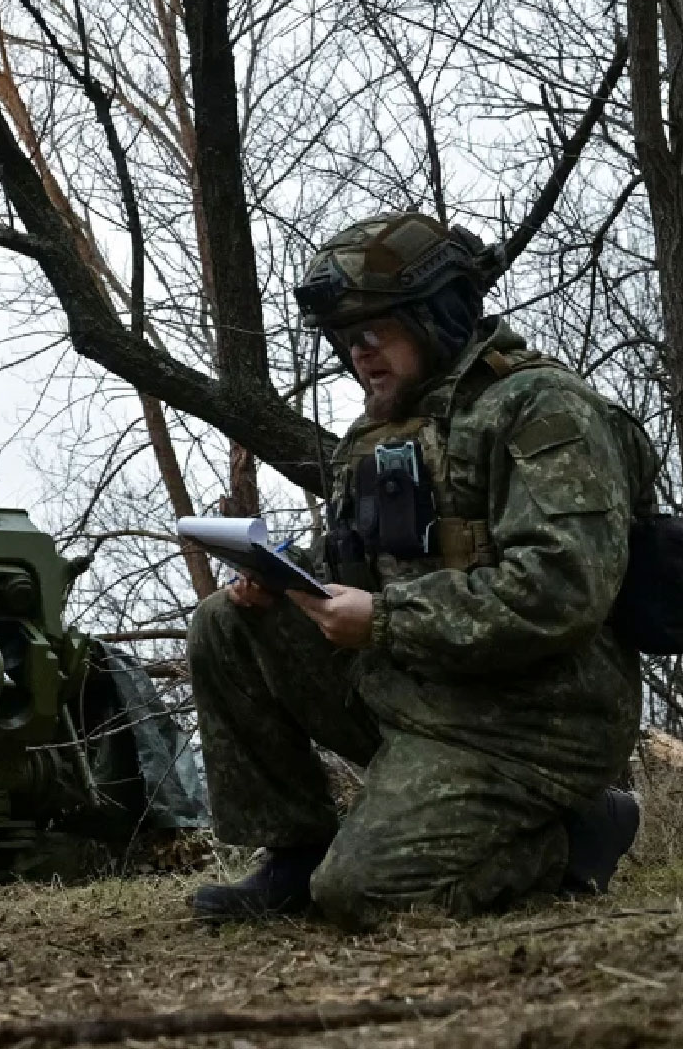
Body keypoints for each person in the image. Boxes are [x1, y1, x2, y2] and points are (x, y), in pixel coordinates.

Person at [188, 212, 645, 931]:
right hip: (418, 686)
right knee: (227, 623)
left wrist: (388, 620)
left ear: (436, 315)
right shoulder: (379, 430)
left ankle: (574, 834)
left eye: (375, 331)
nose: (358, 353)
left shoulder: (542, 409)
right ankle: (297, 854)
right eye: (346, 339)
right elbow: (363, 570)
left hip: (532, 720)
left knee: (364, 894)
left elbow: (562, 589)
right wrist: (285, 579)